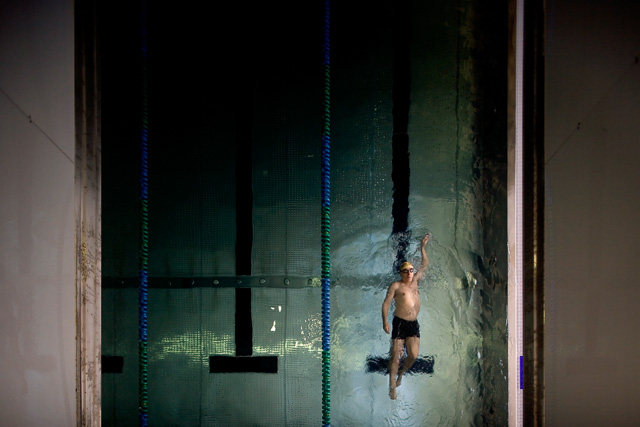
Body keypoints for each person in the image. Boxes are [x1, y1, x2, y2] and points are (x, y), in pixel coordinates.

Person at [382, 234, 430, 400]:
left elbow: (425, 264)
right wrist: (385, 321)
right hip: (400, 323)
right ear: (401, 273)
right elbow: (386, 303)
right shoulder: (396, 286)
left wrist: (422, 247)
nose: (409, 273)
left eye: (411, 270)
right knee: (396, 356)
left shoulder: (416, 281)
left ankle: (401, 374)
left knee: (413, 356)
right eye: (406, 271)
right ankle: (391, 385)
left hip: (413, 324)